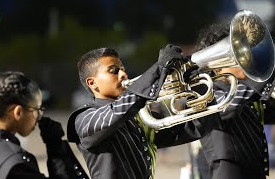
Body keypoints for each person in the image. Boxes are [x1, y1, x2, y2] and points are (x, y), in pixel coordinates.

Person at [67, 46, 220, 179]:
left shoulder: (139, 117)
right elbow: (118, 112)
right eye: (113, 71)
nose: (123, 75)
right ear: (92, 83)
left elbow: (193, 129)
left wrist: (197, 87)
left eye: (123, 69)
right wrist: (159, 69)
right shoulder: (83, 118)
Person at [0, 71, 88, 179]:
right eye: (36, 110)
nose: (38, 117)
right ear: (18, 112)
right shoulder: (15, 162)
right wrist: (56, 147)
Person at [193, 23, 274, 179]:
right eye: (238, 56)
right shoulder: (208, 90)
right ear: (216, 65)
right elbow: (228, 108)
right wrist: (267, 74)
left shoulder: (249, 93)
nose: (247, 60)